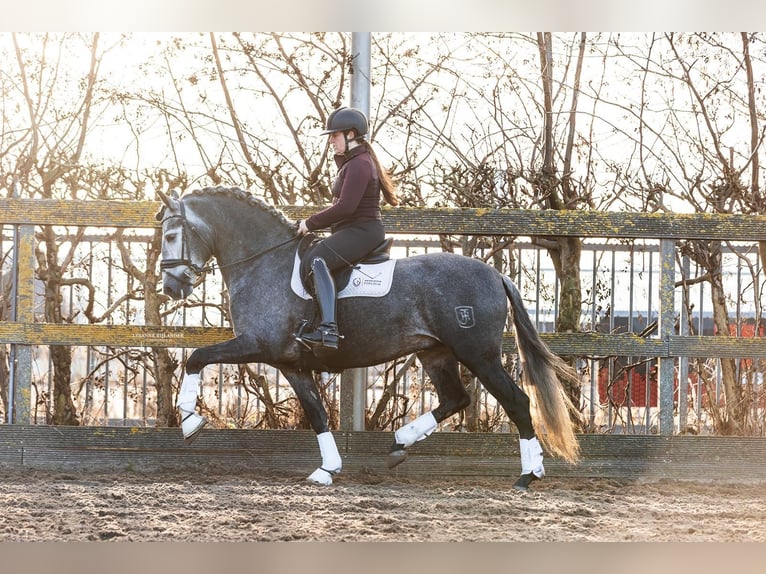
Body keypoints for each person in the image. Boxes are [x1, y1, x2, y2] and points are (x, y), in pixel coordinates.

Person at [295, 106, 399, 350]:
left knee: (317, 259)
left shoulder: (360, 164)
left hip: (363, 231)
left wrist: (310, 223)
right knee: (316, 254)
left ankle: (328, 329)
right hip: (355, 230)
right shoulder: (353, 162)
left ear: (350, 135)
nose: (331, 141)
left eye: (335, 135)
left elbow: (346, 208)